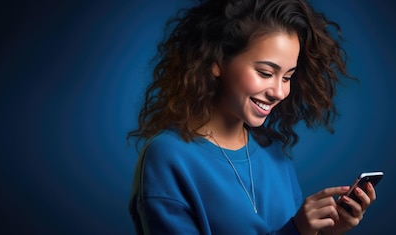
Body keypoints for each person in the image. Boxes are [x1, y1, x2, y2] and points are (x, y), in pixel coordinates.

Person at [127, 0, 377, 234]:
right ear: (216, 62)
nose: (279, 92)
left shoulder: (273, 152)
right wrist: (296, 230)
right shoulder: (167, 158)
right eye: (265, 72)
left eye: (288, 77)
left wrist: (324, 232)